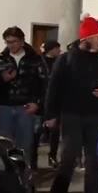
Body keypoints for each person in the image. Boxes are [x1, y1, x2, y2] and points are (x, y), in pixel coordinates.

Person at [43, 17, 98, 193]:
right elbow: (54, 88)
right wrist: (50, 114)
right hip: (72, 115)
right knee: (67, 159)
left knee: (95, 159)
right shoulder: (66, 59)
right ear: (86, 38)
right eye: (96, 37)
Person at [0, 26, 48, 168]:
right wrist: (2, 79)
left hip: (26, 107)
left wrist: (37, 104)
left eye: (14, 41)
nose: (11, 45)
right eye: (8, 42)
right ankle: (7, 176)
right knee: (4, 145)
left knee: (25, 146)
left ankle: (24, 176)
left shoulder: (35, 59)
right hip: (4, 106)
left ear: (22, 41)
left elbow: (44, 84)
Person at [38, 39, 64, 167]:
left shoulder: (60, 62)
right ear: (52, 49)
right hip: (41, 98)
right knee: (38, 129)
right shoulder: (40, 62)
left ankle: (52, 155)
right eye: (57, 48)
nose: (59, 51)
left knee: (55, 130)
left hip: (55, 99)